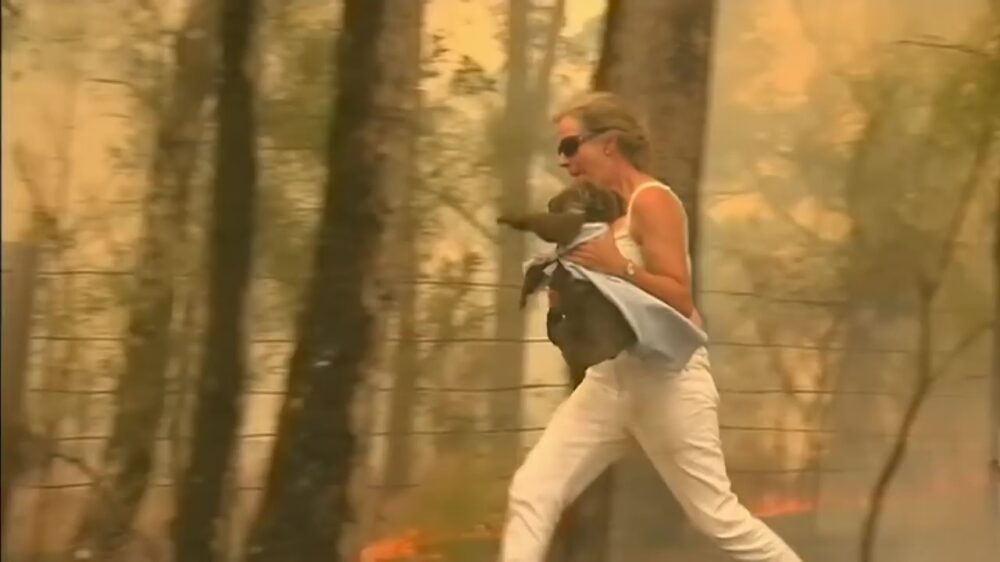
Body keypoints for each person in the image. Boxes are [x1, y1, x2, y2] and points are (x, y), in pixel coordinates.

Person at [499, 92, 804, 562]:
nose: (564, 161)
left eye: (570, 146)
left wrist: (618, 266)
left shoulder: (654, 201)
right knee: (533, 490)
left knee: (717, 518)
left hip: (669, 379)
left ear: (608, 143)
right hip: (611, 380)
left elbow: (679, 297)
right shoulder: (602, 216)